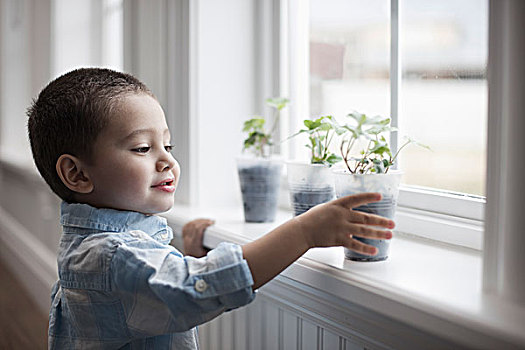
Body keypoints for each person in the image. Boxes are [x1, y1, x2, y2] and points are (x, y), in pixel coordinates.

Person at [27, 68, 394, 349]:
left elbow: (141, 291)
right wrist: (304, 232)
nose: (167, 162)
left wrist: (187, 255)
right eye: (142, 148)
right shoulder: (110, 255)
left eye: (168, 146)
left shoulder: (94, 244)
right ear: (76, 173)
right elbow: (191, 289)